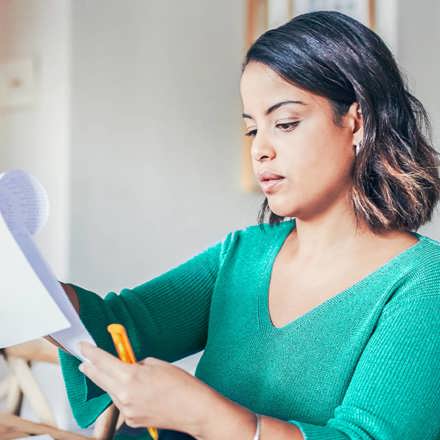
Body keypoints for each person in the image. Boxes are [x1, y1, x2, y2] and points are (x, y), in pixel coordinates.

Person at [51, 10, 440, 440]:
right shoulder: (243, 255)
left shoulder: (424, 282)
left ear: (357, 121)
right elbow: (121, 328)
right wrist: (29, 285)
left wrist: (209, 417)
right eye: (252, 130)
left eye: (286, 123)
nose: (260, 150)